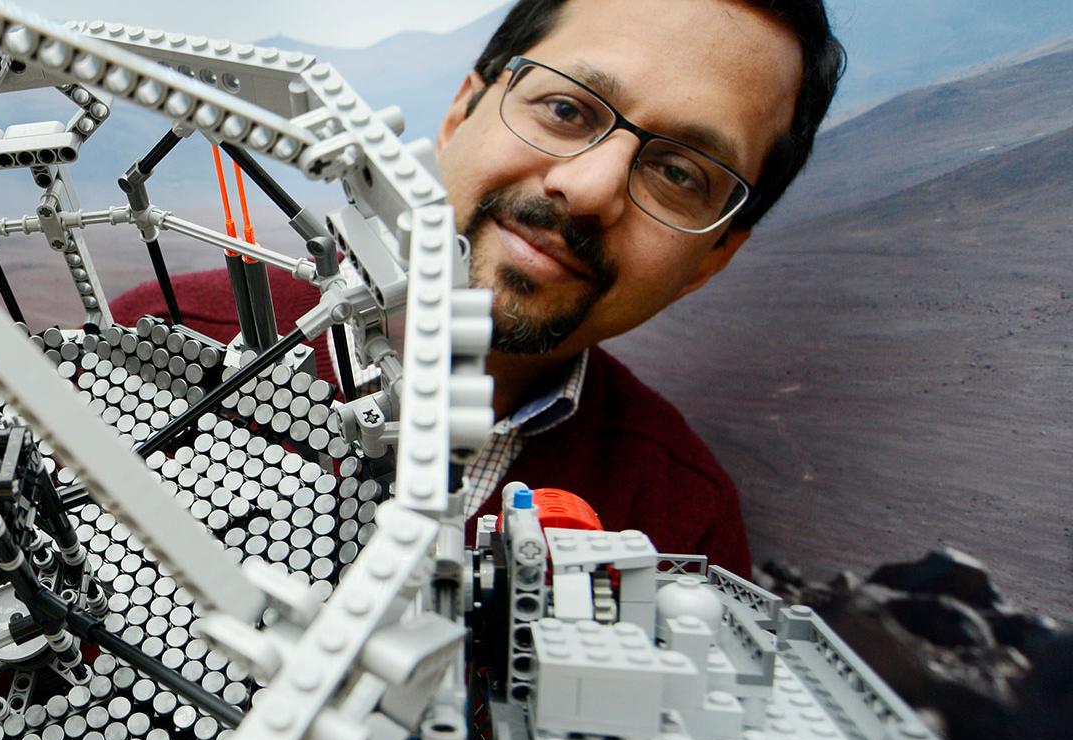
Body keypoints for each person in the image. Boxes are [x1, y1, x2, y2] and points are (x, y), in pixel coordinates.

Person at [113, 0, 849, 577]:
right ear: (463, 108)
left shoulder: (683, 522)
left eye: (681, 174)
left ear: (713, 258)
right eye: (566, 109)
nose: (590, 188)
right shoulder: (154, 344)